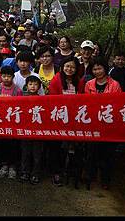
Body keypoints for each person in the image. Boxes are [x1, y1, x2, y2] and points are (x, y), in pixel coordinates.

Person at [83, 57, 122, 190]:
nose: (97, 71)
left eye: (99, 68)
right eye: (94, 69)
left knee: (108, 154)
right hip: (93, 123)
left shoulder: (115, 84)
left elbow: (118, 104)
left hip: (108, 124)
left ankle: (105, 179)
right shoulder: (89, 84)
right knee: (92, 152)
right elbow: (86, 104)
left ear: (105, 68)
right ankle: (90, 176)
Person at [47, 56, 86, 185]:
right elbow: (53, 100)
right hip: (58, 119)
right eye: (67, 66)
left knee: (70, 148)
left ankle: (69, 171)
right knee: (57, 147)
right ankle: (56, 172)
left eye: (73, 67)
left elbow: (81, 100)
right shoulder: (56, 80)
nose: (70, 69)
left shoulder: (79, 82)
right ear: (62, 67)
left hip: (73, 120)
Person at [0, 66, 23, 180]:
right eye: (4, 76)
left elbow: (20, 107)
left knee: (13, 145)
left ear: (13, 77)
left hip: (13, 123)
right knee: (2, 144)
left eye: (9, 76)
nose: (6, 78)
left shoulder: (18, 90)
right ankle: (4, 165)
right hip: (0, 122)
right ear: (1, 76)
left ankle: (13, 167)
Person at [20, 75, 44, 184]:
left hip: (38, 131)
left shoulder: (43, 99)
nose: (33, 86)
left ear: (39, 86)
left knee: (37, 154)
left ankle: (36, 174)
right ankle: (25, 172)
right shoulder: (22, 99)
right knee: (25, 153)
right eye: (30, 84)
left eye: (35, 84)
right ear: (26, 86)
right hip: (25, 131)